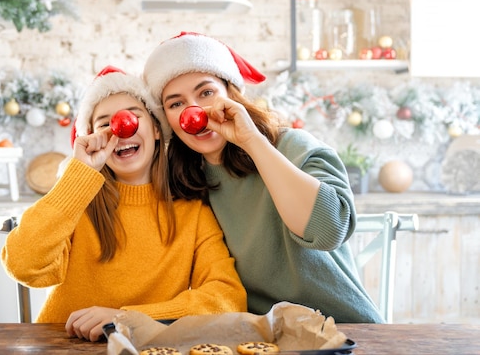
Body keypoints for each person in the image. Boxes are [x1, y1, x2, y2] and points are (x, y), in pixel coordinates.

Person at [142, 32, 384, 323]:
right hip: (262, 338)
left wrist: (252, 142)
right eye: (175, 103)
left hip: (343, 329)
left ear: (231, 93)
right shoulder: (186, 183)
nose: (195, 111)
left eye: (206, 92)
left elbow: (329, 229)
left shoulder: (293, 146)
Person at [0, 65, 247, 342]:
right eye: (104, 124)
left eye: (132, 116)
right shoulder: (76, 202)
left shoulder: (193, 212)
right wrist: (79, 176)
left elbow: (227, 299)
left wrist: (129, 318)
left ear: (156, 128)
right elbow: (23, 265)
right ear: (91, 138)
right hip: (65, 347)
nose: (120, 128)